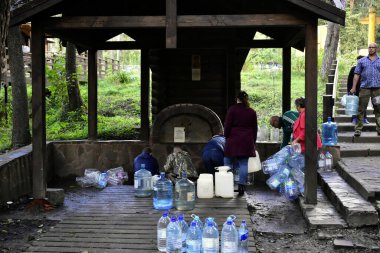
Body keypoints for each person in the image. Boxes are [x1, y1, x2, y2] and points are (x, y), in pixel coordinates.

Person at [224, 91, 258, 196]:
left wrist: (226, 136)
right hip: (247, 140)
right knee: (243, 164)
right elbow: (255, 129)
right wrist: (253, 141)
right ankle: (241, 186)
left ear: (237, 99)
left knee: (227, 161)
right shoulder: (251, 111)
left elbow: (227, 125)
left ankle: (227, 185)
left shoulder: (232, 109)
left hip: (233, 139)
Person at [350, 42, 380, 137]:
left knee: (378, 109)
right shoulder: (362, 61)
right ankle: (358, 129)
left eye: (373, 47)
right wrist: (354, 87)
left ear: (376, 49)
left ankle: (379, 128)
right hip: (364, 88)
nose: (371, 49)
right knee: (361, 109)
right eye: (369, 47)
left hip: (377, 89)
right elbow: (356, 74)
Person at [347, 55, 368, 124]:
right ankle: (354, 118)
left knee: (364, 105)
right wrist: (349, 90)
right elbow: (349, 80)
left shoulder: (366, 69)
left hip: (364, 89)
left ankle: (364, 118)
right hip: (355, 90)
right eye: (358, 60)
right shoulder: (353, 69)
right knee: (354, 104)